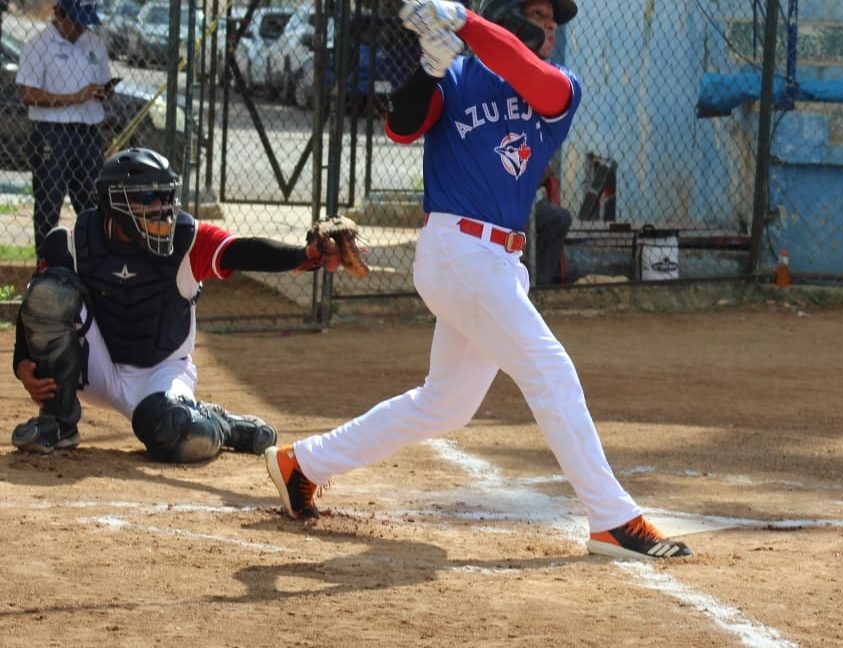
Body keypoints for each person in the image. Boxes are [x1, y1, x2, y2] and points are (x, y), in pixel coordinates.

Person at [264, 0, 693, 560]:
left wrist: (465, 23)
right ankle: (613, 519)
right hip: (457, 250)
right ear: (505, 12)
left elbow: (525, 69)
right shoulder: (457, 75)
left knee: (446, 404)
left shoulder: (560, 86)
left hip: (499, 264)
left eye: (552, 18)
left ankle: (303, 464)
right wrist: (432, 65)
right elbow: (399, 126)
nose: (549, 25)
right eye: (536, 12)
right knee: (550, 368)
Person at [11, 147, 347, 461]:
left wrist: (306, 256)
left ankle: (219, 423)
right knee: (51, 290)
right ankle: (58, 421)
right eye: (146, 197)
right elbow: (35, 301)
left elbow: (243, 250)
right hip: (97, 368)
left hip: (161, 371)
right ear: (113, 202)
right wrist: (22, 360)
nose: (161, 207)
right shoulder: (76, 241)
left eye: (165, 196)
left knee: (173, 432)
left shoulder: (187, 239)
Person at [17, 0, 113, 258]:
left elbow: (104, 82)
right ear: (59, 14)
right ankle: (46, 267)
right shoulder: (38, 45)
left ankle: (93, 265)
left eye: (86, 21)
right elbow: (28, 94)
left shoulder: (94, 43)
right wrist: (74, 97)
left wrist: (103, 92)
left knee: (92, 205)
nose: (82, 27)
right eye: (77, 20)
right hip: (52, 132)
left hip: (89, 133)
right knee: (49, 204)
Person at [532, 161, 571, 285]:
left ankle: (541, 280)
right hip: (507, 200)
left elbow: (548, 168)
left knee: (561, 218)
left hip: (534, 201)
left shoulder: (534, 142)